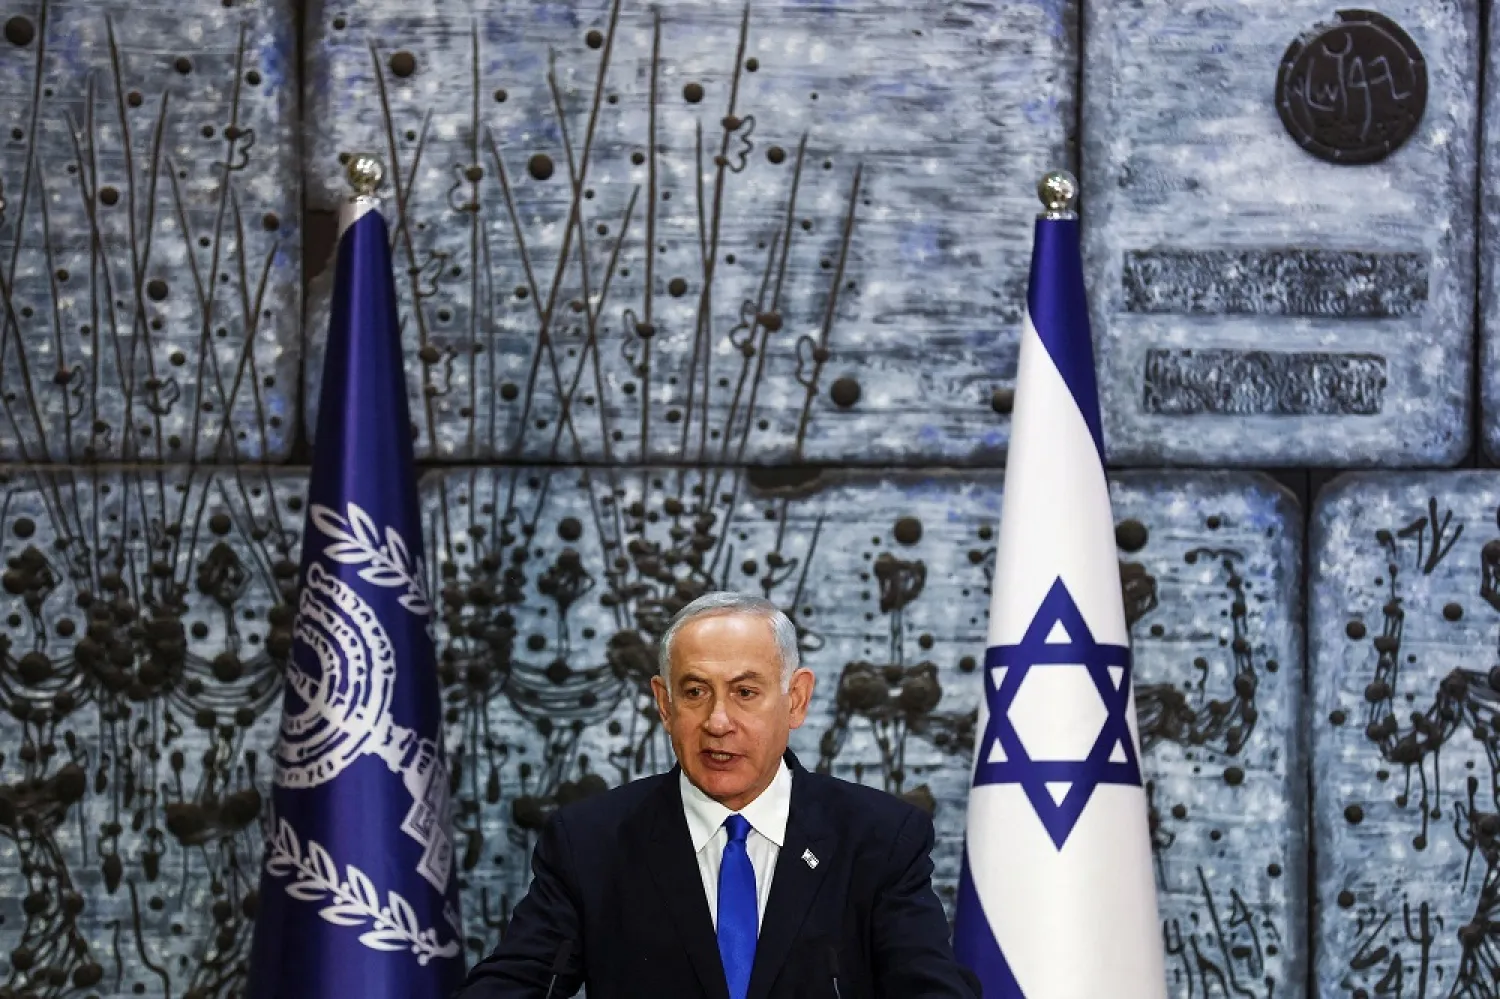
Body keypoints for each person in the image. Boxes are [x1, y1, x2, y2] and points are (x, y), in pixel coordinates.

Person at [457, 592, 979, 999]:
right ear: (664, 704)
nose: (718, 722)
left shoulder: (878, 838)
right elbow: (516, 983)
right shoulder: (591, 843)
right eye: (695, 692)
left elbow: (931, 986)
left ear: (795, 700)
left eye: (745, 692)